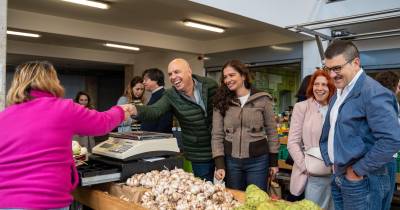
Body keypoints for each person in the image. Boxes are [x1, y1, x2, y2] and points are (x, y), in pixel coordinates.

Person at [0, 61, 133, 209]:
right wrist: (121, 111)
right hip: (45, 201)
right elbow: (102, 122)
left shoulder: (4, 116)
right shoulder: (63, 108)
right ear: (50, 81)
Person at [319, 40, 400, 210]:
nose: (332, 75)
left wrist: (356, 171)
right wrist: (331, 159)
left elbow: (391, 141)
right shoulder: (339, 93)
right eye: (328, 69)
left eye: (337, 68)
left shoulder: (374, 92)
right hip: (340, 174)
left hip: (363, 180)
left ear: (356, 63)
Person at [130, 58, 218, 181]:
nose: (173, 76)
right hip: (198, 151)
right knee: (206, 188)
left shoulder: (210, 85)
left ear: (189, 71)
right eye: (170, 74)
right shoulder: (170, 95)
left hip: (221, 147)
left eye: (177, 72)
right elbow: (155, 110)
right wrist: (135, 110)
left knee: (231, 189)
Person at [211, 60, 279, 191]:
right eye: (225, 77)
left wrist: (273, 162)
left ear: (243, 76)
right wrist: (219, 164)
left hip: (258, 161)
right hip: (231, 162)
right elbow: (217, 134)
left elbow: (272, 131)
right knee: (235, 199)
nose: (228, 80)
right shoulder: (220, 101)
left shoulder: (262, 98)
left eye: (232, 75)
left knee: (257, 199)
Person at [287, 69, 335, 210]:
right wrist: (305, 166)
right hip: (312, 173)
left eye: (324, 84)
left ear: (331, 87)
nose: (319, 88)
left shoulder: (337, 107)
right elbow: (292, 142)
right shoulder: (302, 107)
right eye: (316, 84)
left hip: (335, 173)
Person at [141, 68, 173, 133]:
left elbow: (165, 121)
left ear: (155, 80)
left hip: (158, 139)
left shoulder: (164, 95)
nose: (143, 82)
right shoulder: (156, 94)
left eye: (146, 80)